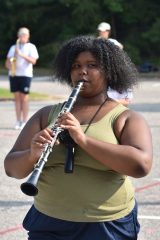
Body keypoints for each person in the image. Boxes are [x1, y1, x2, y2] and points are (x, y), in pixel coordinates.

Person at [4, 36, 153, 240]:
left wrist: (84, 140)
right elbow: (12, 169)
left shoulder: (126, 117)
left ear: (109, 71)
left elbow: (141, 166)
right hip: (48, 223)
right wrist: (32, 154)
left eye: (92, 65)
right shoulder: (46, 115)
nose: (82, 71)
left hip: (106, 225)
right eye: (76, 66)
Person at [5, 27, 39, 130]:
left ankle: (24, 121)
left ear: (27, 36)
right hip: (14, 74)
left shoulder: (31, 47)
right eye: (20, 35)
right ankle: (18, 121)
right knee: (17, 98)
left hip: (25, 74)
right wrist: (11, 65)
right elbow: (7, 63)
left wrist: (21, 54)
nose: (22, 37)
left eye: (24, 35)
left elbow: (33, 61)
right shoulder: (13, 48)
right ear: (18, 37)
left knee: (24, 98)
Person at [97, 22, 133, 106]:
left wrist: (108, 103)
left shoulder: (112, 42)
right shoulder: (96, 42)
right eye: (100, 31)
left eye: (103, 31)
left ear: (108, 31)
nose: (101, 33)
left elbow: (127, 101)